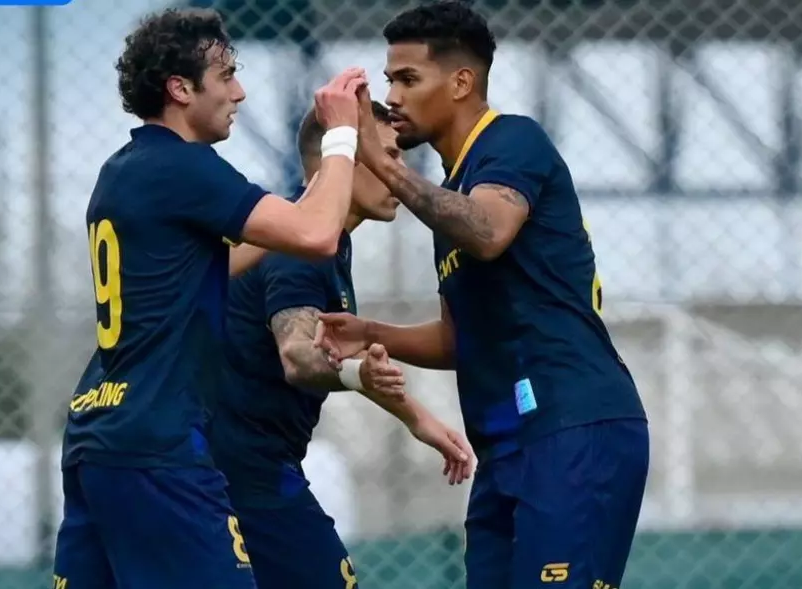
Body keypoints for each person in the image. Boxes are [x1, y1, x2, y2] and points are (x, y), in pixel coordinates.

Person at [313, 2, 649, 588]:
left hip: (572, 426)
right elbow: (458, 337)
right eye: (389, 80)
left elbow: (490, 231)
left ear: (461, 82)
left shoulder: (512, 141)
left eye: (408, 79)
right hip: (506, 448)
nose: (393, 97)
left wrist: (376, 159)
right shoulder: (449, 195)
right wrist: (371, 334)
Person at [52, 8, 371, 589]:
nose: (239, 92)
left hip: (99, 433)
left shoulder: (124, 169)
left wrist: (305, 202)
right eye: (226, 75)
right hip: (160, 444)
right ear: (180, 88)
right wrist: (343, 137)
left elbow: (223, 261)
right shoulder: (183, 166)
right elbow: (316, 235)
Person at [209, 101, 475, 589]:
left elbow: (331, 346)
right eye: (388, 154)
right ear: (342, 158)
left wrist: (416, 418)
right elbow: (298, 353)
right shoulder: (300, 246)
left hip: (243, 463)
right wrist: (357, 374)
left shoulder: (320, 240)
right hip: (240, 469)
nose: (400, 171)